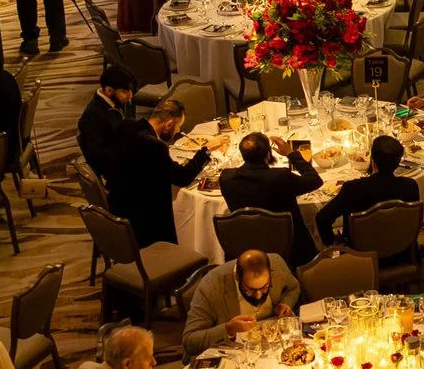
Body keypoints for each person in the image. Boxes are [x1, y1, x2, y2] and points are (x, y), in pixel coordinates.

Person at [105, 99, 210, 251]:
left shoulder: (125, 126)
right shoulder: (154, 146)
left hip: (117, 203)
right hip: (144, 221)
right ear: (169, 124)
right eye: (178, 127)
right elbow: (182, 178)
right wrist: (204, 153)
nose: (177, 132)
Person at [216, 130, 324, 260]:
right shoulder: (280, 178)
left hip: (247, 246)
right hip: (291, 249)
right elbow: (315, 180)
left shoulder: (226, 178)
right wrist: (291, 153)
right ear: (268, 154)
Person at [316, 133, 423, 248]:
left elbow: (322, 219)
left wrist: (334, 242)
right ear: (398, 162)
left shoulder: (353, 189)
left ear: (372, 160)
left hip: (361, 259)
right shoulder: (410, 186)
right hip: (401, 252)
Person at [183, 249, 302, 352]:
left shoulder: (277, 265)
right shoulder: (211, 287)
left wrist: (285, 303)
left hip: (273, 346)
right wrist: (228, 328)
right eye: (250, 290)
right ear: (237, 277)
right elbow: (190, 341)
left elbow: (294, 288)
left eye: (265, 288)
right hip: (231, 353)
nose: (258, 296)